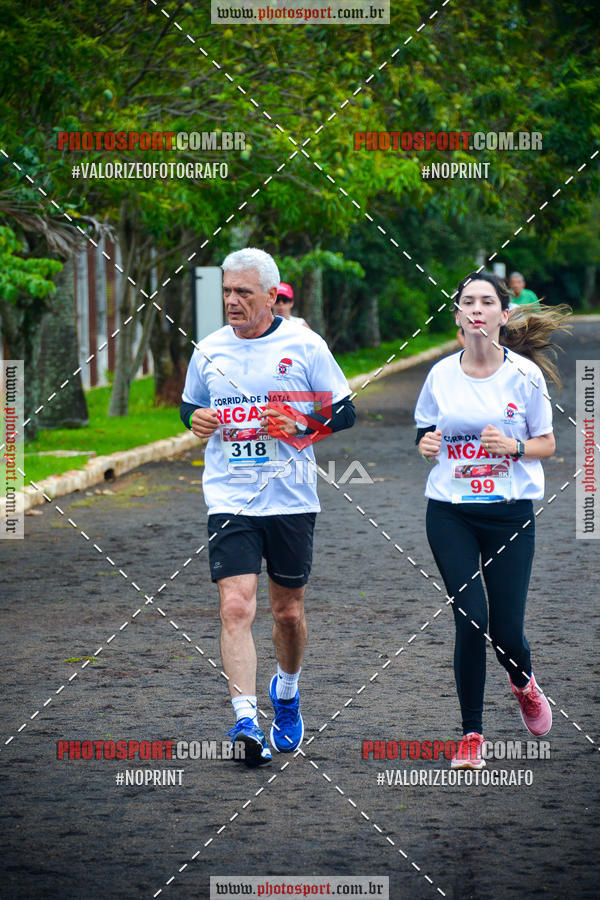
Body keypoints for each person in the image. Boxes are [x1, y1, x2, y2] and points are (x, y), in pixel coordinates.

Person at [180, 248, 355, 766]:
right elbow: (190, 405)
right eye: (227, 292)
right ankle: (244, 720)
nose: (232, 301)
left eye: (243, 292)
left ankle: (288, 692)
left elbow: (345, 411)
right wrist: (195, 419)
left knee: (288, 613)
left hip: (291, 496)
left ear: (271, 296)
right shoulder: (210, 348)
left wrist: (299, 425)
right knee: (236, 606)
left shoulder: (303, 344)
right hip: (230, 495)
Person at [414, 272, 570, 769]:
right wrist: (426, 444)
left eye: (486, 302)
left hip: (510, 516)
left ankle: (523, 682)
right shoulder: (440, 375)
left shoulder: (524, 375)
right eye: (468, 302)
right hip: (450, 512)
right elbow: (425, 430)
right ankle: (472, 736)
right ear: (458, 315)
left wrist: (514, 446)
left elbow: (547, 443)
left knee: (505, 630)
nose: (476, 309)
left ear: (504, 314)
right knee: (470, 617)